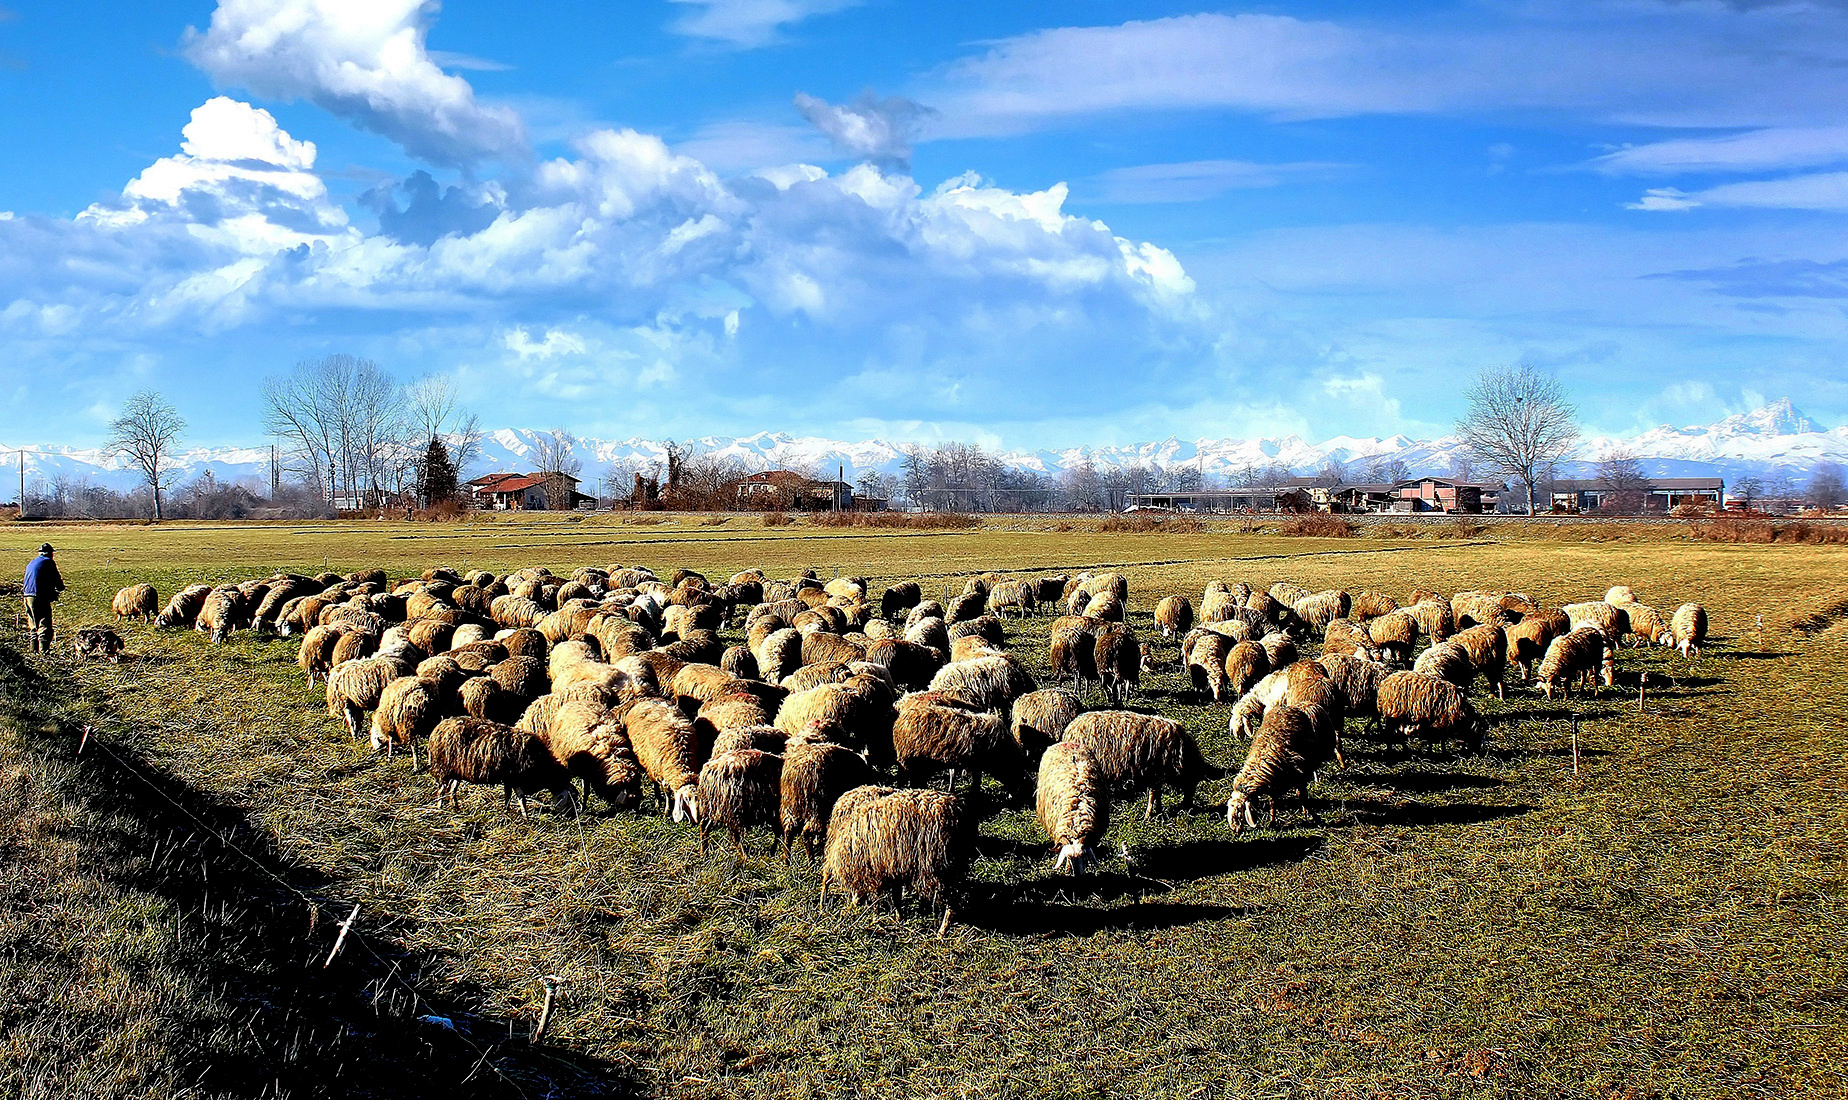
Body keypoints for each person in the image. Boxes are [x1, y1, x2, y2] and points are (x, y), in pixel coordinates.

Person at [22, 542, 63, 654]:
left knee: (33, 623)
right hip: (38, 596)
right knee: (44, 623)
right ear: (50, 553)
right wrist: (59, 588)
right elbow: (57, 580)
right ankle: (43, 651)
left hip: (27, 595)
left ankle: (33, 650)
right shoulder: (49, 562)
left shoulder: (32, 562)